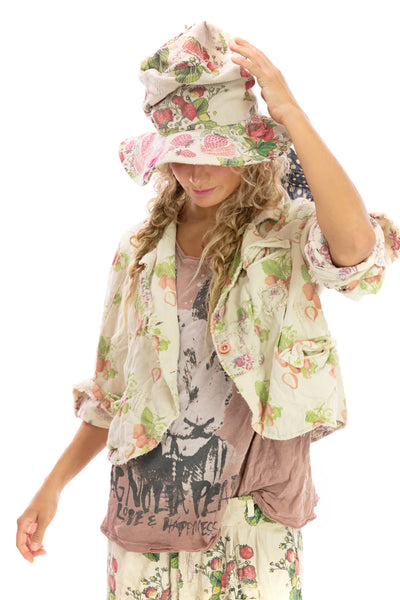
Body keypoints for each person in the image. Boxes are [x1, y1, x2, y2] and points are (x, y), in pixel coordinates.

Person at [16, 21, 399, 600]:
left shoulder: (286, 233)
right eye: (180, 155)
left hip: (253, 520)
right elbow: (113, 390)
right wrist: (52, 487)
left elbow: (357, 255)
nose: (194, 173)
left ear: (246, 146)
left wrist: (291, 113)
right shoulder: (139, 251)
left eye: (211, 154)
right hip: (147, 515)